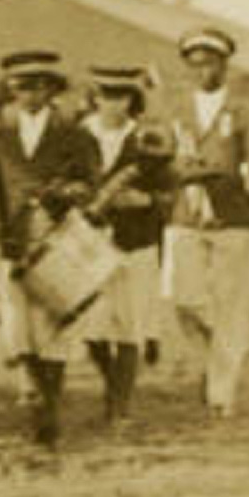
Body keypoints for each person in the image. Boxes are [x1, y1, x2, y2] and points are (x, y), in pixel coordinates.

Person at [0, 50, 96, 450]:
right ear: (10, 89)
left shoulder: (74, 135)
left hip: (56, 239)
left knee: (51, 326)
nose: (29, 93)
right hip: (9, 238)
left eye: (39, 85)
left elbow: (89, 183)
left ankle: (49, 411)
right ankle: (31, 389)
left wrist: (67, 194)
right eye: (21, 85)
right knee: (14, 324)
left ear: (52, 89)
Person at [162, 28, 249, 418]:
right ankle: (213, 362)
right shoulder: (176, 108)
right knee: (185, 300)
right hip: (186, 214)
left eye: (210, 63)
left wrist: (247, 174)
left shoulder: (243, 108)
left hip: (231, 213)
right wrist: (178, 170)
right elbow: (162, 157)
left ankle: (222, 393)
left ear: (224, 65)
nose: (203, 71)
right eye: (195, 64)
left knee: (231, 306)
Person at [72, 66, 166, 423]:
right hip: (90, 240)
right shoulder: (78, 135)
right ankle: (112, 379)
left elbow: (169, 187)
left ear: (133, 100)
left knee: (130, 324)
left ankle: (119, 406)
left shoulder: (148, 137)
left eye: (122, 97)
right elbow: (64, 178)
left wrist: (149, 202)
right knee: (91, 326)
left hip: (135, 240)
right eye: (106, 96)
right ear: (94, 98)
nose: (114, 105)